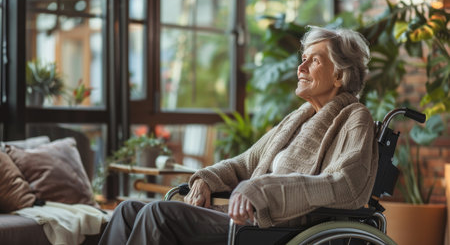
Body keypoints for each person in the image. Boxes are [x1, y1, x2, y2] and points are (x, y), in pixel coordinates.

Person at [98, 26, 378, 245]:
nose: (300, 68)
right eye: (302, 60)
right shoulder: (298, 119)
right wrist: (208, 179)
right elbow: (244, 163)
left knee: (158, 214)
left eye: (313, 61)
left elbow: (346, 185)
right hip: (248, 219)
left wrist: (260, 189)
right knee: (128, 209)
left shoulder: (355, 118)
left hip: (278, 227)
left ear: (339, 75)